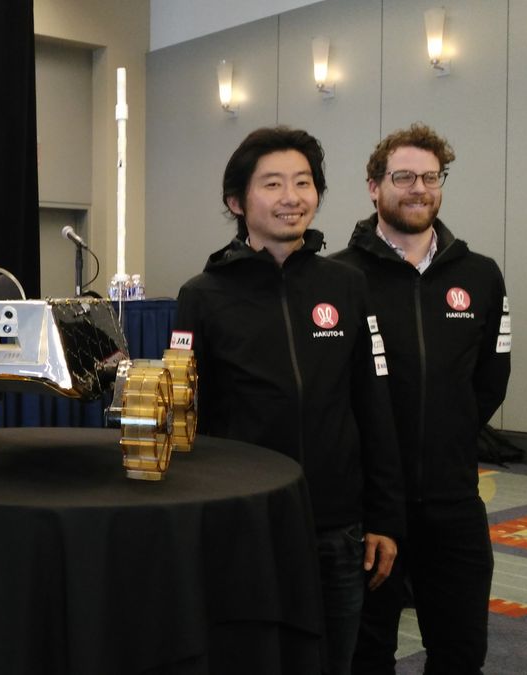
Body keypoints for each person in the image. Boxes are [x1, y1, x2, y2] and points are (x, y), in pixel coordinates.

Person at [174, 126, 405, 674]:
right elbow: (188, 417)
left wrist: (384, 517)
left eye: (303, 183)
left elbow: (373, 405)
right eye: (273, 184)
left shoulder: (346, 285)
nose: (291, 197)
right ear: (237, 201)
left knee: (333, 662)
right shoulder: (202, 296)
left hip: (337, 526)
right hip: (245, 522)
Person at [335, 123, 511, 675]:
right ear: (373, 186)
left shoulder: (480, 276)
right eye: (403, 176)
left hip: (453, 501)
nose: (418, 188)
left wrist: (448, 431)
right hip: (367, 505)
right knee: (365, 655)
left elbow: (490, 379)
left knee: (460, 652)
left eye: (430, 177)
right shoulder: (338, 277)